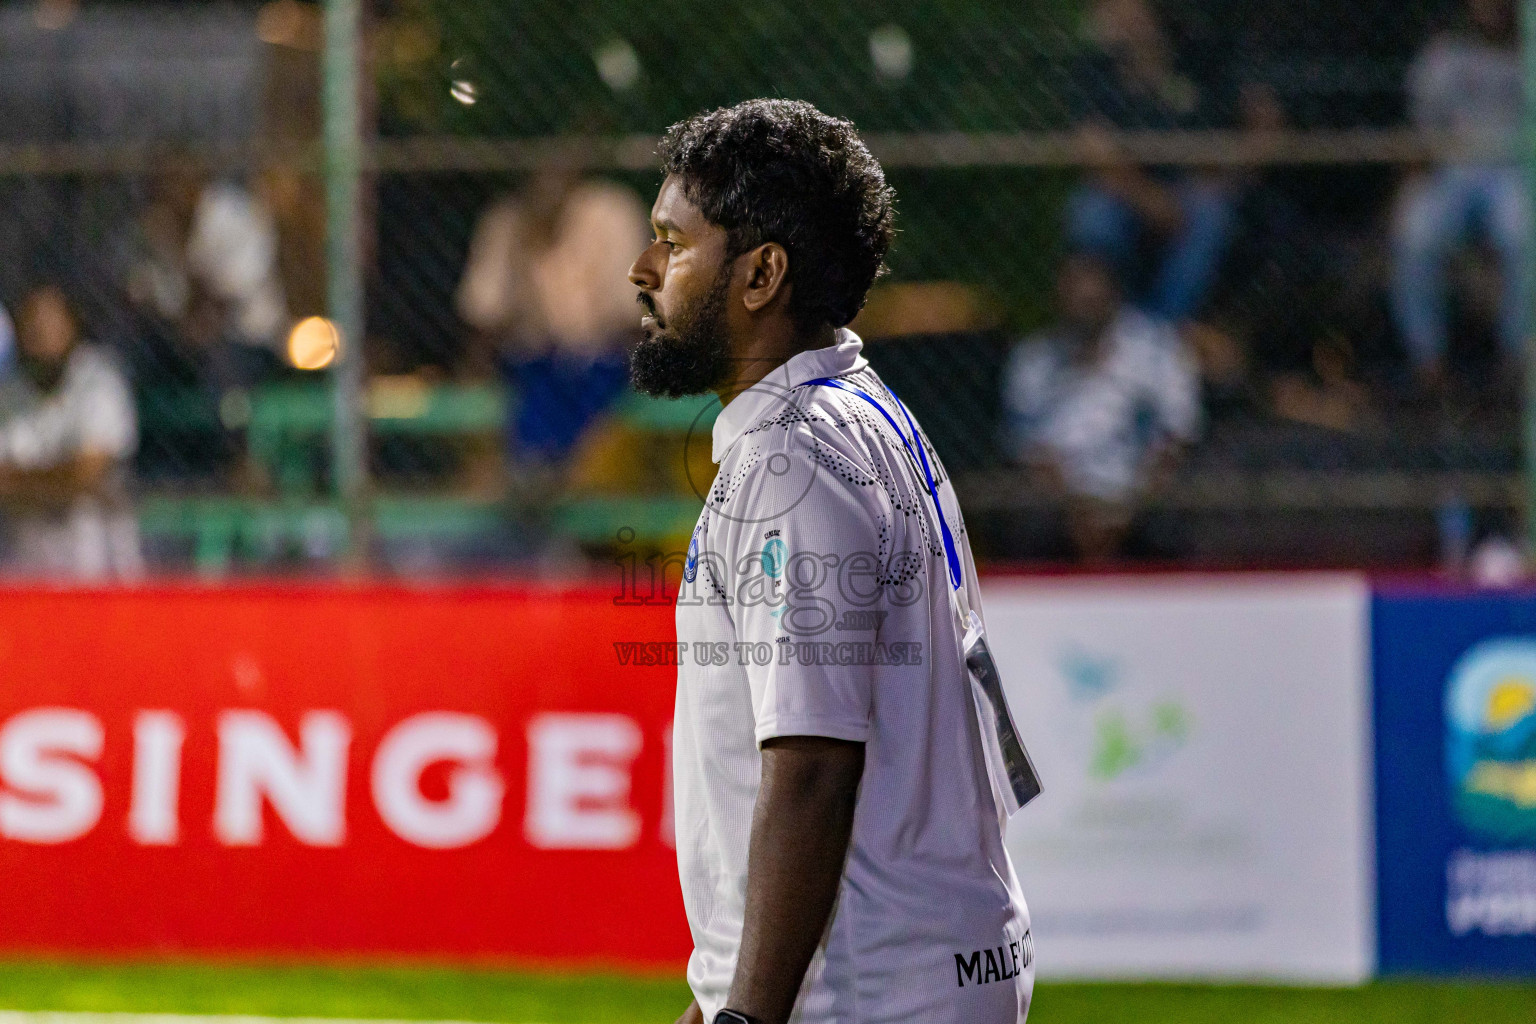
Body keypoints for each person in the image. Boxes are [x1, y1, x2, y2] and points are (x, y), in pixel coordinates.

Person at [628, 100, 1033, 1024]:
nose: (641, 270)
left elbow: (812, 765)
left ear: (761, 274)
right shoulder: (864, 411)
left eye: (672, 242)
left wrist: (747, 1016)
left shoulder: (792, 462)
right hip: (915, 973)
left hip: (868, 994)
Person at [1004, 252, 1200, 561]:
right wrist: (1077, 514)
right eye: (1073, 291)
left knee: (1174, 522)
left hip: (1141, 501)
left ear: (1114, 293)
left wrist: (1129, 510)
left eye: (1092, 293)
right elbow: (1032, 452)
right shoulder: (1033, 360)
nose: (1083, 300)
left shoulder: (1158, 350)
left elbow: (1175, 440)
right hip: (1063, 508)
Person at [457, 166, 650, 464]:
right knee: (542, 382)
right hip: (532, 359)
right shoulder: (508, 222)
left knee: (574, 382)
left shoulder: (611, 213)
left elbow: (627, 316)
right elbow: (487, 315)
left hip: (602, 357)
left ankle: (541, 470)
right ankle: (543, 471)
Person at [1065, 0, 1235, 325]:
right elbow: (1094, 152)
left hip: (1187, 188)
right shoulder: (1093, 69)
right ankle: (1110, 329)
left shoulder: (1195, 56)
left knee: (1210, 212)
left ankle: (1159, 332)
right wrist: (1151, 200)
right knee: (1092, 214)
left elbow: (1218, 142)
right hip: (1124, 189)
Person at [1391, 0, 1528, 386]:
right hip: (1452, 167)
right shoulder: (1445, 54)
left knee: (1523, 237)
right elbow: (1419, 129)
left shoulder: (1529, 48)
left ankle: (1519, 358)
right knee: (1416, 233)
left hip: (1516, 167)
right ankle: (1427, 361)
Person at [0, 285, 142, 580]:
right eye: (32, 324)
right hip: (26, 556)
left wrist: (19, 481)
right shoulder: (8, 392)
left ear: (72, 326)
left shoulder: (100, 380)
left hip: (97, 558)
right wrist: (62, 479)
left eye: (51, 323)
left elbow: (87, 473)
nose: (40, 334)